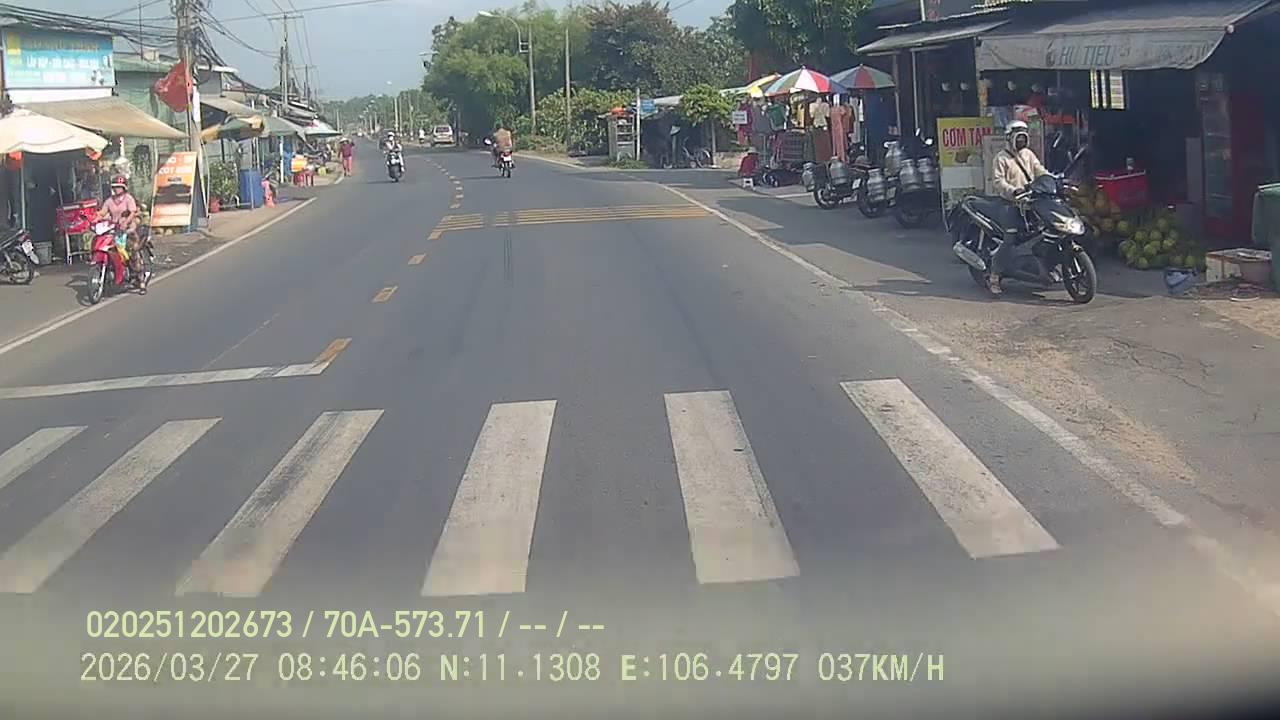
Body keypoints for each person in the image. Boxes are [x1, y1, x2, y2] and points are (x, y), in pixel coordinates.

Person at [986, 120, 1049, 295]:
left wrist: (1051, 180)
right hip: (1010, 204)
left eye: (1023, 138)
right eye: (1018, 138)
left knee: (1044, 232)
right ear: (1009, 138)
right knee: (1010, 239)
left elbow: (1040, 171)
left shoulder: (1029, 155)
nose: (1021, 141)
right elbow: (998, 182)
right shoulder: (1001, 158)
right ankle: (994, 275)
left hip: (1030, 202)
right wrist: (1013, 191)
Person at [98, 175, 145, 293]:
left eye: (119, 187)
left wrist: (126, 222)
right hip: (114, 229)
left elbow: (132, 213)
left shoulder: (128, 199)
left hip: (128, 229)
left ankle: (141, 280)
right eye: (115, 187)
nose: (117, 189)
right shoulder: (109, 201)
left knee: (132, 250)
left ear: (124, 188)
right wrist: (94, 218)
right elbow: (102, 213)